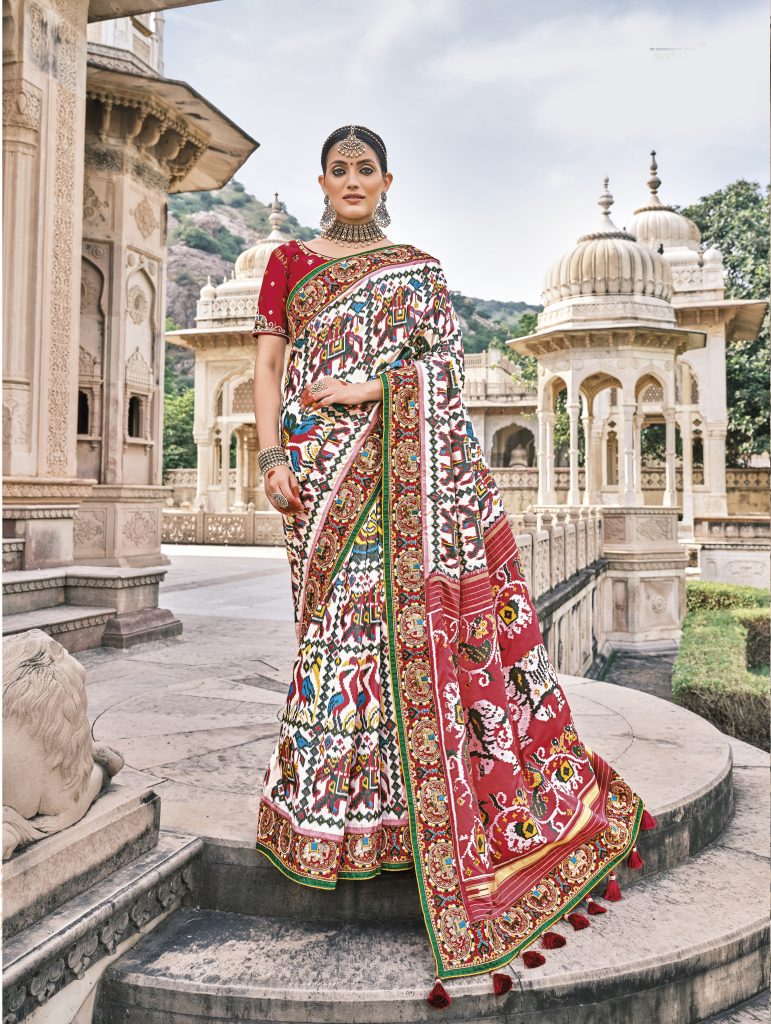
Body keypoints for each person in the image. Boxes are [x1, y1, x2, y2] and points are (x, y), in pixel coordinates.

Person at [251, 125, 655, 1008]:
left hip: (398, 468)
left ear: (386, 178)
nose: (352, 181)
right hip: (318, 474)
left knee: (387, 636)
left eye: (366, 169)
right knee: (332, 643)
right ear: (320, 179)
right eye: (339, 169)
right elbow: (268, 362)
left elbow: (440, 373)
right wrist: (272, 457)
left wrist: (369, 390)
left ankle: (403, 818)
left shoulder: (420, 269)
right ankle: (334, 816)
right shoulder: (287, 262)